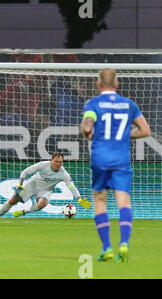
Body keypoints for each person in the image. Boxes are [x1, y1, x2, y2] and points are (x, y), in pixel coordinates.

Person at [80, 68, 151, 262]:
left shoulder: (93, 104)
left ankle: (107, 248)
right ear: (117, 84)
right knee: (124, 202)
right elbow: (145, 131)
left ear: (99, 84)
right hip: (121, 159)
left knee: (100, 200)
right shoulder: (129, 104)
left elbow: (87, 127)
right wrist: (127, 134)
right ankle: (124, 243)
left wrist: (89, 133)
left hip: (100, 158)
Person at [0, 152, 91, 218]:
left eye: (60, 162)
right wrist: (20, 184)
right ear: (51, 161)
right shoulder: (43, 165)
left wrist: (79, 198)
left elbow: (71, 186)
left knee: (42, 204)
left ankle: (25, 211)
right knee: (13, 200)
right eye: (56, 161)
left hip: (45, 190)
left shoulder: (64, 174)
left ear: (62, 162)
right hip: (32, 184)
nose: (58, 163)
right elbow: (26, 172)